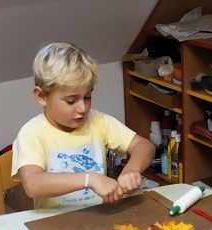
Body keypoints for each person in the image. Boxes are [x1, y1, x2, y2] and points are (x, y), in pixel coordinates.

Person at [12, 42, 155, 209]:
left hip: (98, 216)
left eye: (87, 97)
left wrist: (132, 170)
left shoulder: (99, 121)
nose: (82, 108)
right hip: (55, 222)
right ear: (42, 96)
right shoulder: (32, 133)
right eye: (71, 101)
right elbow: (33, 184)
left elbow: (144, 146)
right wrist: (89, 179)